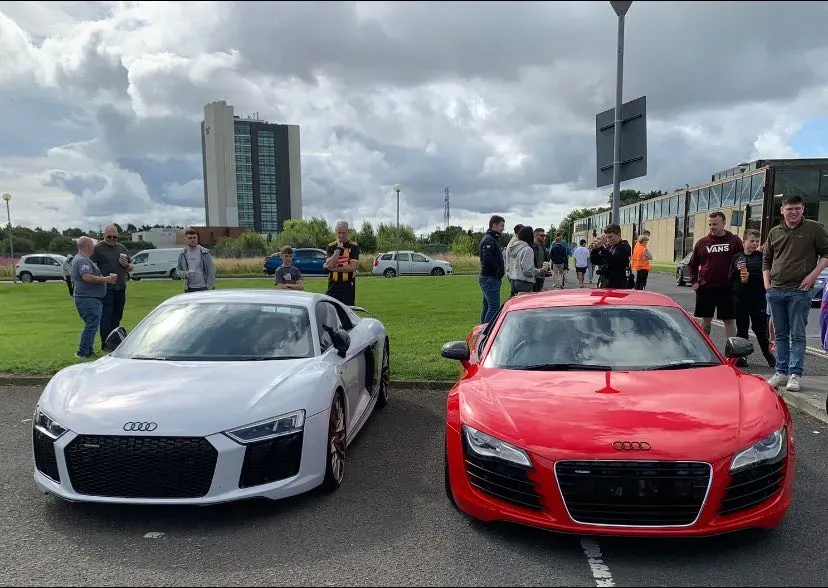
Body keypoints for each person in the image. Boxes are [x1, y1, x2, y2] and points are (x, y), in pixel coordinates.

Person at [762, 194, 828, 392]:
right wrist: (767, 284)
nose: (794, 212)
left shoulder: (814, 228)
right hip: (776, 290)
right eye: (789, 209)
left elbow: (826, 253)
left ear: (803, 209)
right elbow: (767, 259)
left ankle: (795, 374)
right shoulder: (774, 232)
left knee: (797, 334)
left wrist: (813, 275)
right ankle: (781, 371)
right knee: (780, 334)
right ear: (782, 210)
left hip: (799, 291)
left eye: (797, 208)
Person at [688, 211, 743, 338]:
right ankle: (705, 348)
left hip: (727, 288)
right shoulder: (702, 243)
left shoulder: (734, 241)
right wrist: (694, 282)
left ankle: (731, 349)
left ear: (724, 223)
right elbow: (692, 264)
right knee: (706, 321)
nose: (712, 227)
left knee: (729, 321)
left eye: (715, 224)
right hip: (706, 288)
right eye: (710, 224)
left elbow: (741, 260)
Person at [731, 229, 774, 368]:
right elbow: (730, 277)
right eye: (751, 241)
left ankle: (768, 355)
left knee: (760, 329)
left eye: (757, 241)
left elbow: (767, 276)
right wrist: (737, 272)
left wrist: (752, 275)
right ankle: (742, 357)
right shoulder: (737, 257)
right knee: (742, 329)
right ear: (744, 242)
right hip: (740, 299)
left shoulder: (761, 257)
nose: (754, 244)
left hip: (757, 299)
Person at [71, 236, 117, 358]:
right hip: (88, 298)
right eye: (92, 246)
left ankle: (88, 350)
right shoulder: (83, 261)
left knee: (91, 324)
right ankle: (83, 352)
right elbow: (87, 277)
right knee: (91, 324)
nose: (93, 248)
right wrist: (106, 279)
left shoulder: (81, 259)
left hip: (88, 298)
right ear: (88, 247)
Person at [90, 224, 133, 349]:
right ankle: (105, 344)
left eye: (115, 237)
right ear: (104, 235)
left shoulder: (122, 248)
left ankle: (114, 342)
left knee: (117, 316)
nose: (112, 239)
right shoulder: (97, 248)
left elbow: (131, 267)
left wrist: (126, 265)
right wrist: (102, 278)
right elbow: (92, 267)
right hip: (105, 288)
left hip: (120, 287)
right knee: (106, 317)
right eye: (109, 236)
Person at [325, 220, 360, 305]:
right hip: (333, 285)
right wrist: (339, 249)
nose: (341, 235)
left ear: (348, 232)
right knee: (331, 309)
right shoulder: (331, 246)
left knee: (347, 310)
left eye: (343, 233)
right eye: (339, 232)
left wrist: (334, 269)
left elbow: (352, 267)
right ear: (336, 231)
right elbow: (330, 264)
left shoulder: (354, 246)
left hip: (348, 286)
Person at [478, 215, 506, 324]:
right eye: (501, 226)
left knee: (487, 306)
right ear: (494, 225)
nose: (503, 228)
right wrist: (498, 271)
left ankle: (483, 329)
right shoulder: (489, 240)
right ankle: (488, 331)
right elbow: (487, 259)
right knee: (494, 307)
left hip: (489, 277)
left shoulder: (491, 238)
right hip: (490, 278)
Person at [507, 226, 547, 295]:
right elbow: (528, 270)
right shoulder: (527, 249)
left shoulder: (514, 247)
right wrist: (539, 271)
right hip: (524, 282)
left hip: (514, 281)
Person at [589, 224, 631, 289]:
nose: (608, 240)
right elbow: (595, 260)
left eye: (610, 237)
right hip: (604, 284)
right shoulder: (609, 247)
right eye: (606, 237)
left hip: (618, 286)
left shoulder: (624, 246)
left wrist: (602, 248)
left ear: (618, 234)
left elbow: (613, 260)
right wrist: (596, 248)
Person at [175, 228, 216, 292]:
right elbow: (177, 271)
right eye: (190, 238)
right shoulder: (183, 253)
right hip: (189, 288)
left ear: (197, 238)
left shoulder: (205, 252)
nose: (193, 240)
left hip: (204, 287)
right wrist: (186, 274)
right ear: (185, 239)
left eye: (194, 237)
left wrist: (210, 287)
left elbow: (211, 271)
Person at [531, 228, 550, 292]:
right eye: (542, 235)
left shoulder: (543, 247)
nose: (544, 237)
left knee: (539, 294)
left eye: (544, 235)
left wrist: (546, 268)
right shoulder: (530, 247)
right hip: (533, 276)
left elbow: (546, 260)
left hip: (541, 276)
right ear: (535, 236)